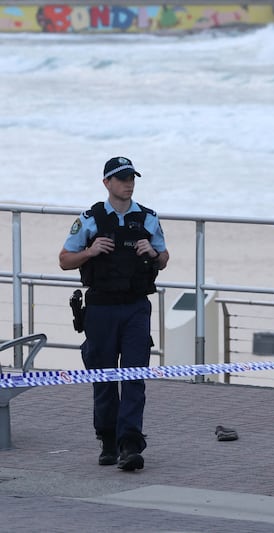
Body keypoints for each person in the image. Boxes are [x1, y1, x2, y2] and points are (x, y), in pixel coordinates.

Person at [59, 156, 169, 472]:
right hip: (101, 309)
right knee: (104, 377)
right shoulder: (90, 220)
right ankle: (108, 440)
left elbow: (163, 258)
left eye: (131, 177)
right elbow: (65, 259)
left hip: (136, 307)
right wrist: (90, 252)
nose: (128, 183)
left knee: (134, 376)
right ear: (107, 183)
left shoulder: (147, 218)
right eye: (121, 178)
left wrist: (155, 254)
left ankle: (130, 444)